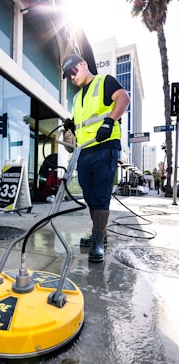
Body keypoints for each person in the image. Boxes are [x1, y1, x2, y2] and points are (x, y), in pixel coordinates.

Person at [62, 53, 130, 262]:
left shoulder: (104, 81)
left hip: (104, 146)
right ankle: (98, 232)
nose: (72, 77)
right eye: (68, 75)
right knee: (90, 195)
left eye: (74, 71)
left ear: (84, 65)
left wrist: (109, 122)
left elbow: (123, 98)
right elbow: (82, 123)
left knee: (100, 195)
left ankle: (98, 241)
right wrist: (70, 129)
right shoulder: (76, 98)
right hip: (84, 151)